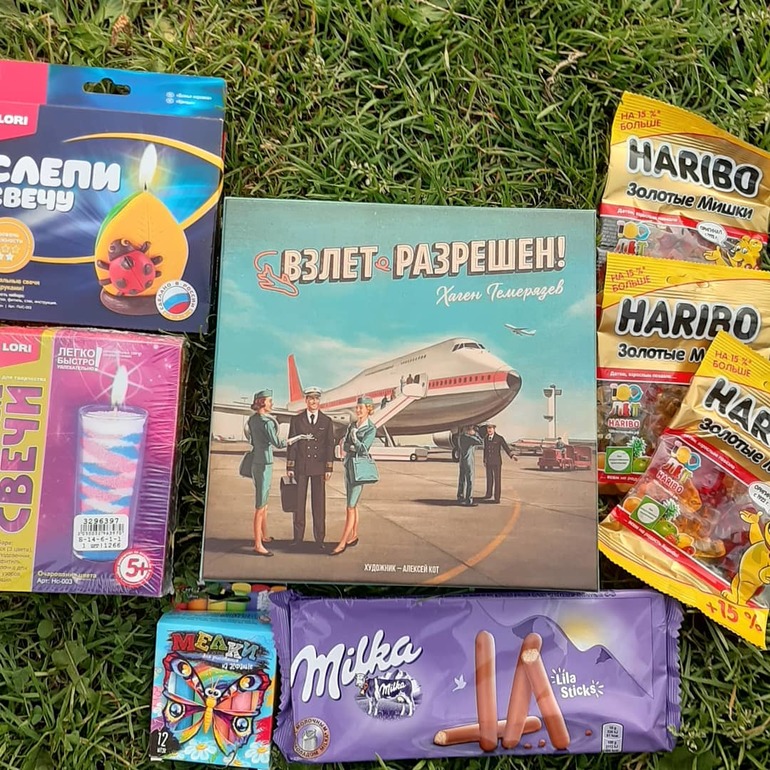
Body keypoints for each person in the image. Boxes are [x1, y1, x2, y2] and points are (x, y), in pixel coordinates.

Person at [287, 386, 336, 549]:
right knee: (298, 504)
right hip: (301, 466)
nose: (314, 401)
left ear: (319, 401)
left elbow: (329, 445)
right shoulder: (297, 420)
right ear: (306, 400)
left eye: (316, 399)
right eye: (311, 398)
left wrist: (328, 468)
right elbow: (292, 444)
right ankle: (298, 539)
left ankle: (320, 539)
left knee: (319, 505)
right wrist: (290, 466)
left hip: (319, 467)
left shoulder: (326, 421)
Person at [332, 396, 377, 555]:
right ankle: (354, 535)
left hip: (359, 470)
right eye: (357, 407)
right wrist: (352, 444)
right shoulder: (352, 425)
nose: (357, 410)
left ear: (368, 410)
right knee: (353, 504)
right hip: (348, 467)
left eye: (360, 408)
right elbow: (344, 445)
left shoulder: (371, 429)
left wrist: (354, 439)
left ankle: (342, 542)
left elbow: (364, 449)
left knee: (350, 507)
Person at [245, 389, 285, 557]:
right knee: (260, 506)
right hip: (265, 464)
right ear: (262, 402)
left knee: (263, 502)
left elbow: (252, 439)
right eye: (269, 401)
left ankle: (264, 536)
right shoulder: (267, 423)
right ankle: (258, 544)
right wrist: (293, 440)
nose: (272, 403)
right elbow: (278, 444)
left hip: (256, 462)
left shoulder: (252, 419)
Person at [480, 423, 517, 503]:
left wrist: (512, 455)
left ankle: (497, 498)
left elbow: (506, 447)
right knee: (489, 479)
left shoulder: (499, 438)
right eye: (488, 428)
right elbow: (485, 450)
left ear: (494, 429)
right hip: (489, 462)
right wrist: (484, 460)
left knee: (497, 480)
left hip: (497, 462)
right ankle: (488, 494)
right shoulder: (486, 438)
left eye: (491, 428)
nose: (489, 430)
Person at [456, 424, 483, 506]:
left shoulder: (460, 437)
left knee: (462, 479)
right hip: (468, 461)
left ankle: (460, 496)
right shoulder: (469, 438)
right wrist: (475, 434)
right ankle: (469, 500)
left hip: (462, 460)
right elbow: (481, 442)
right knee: (470, 480)